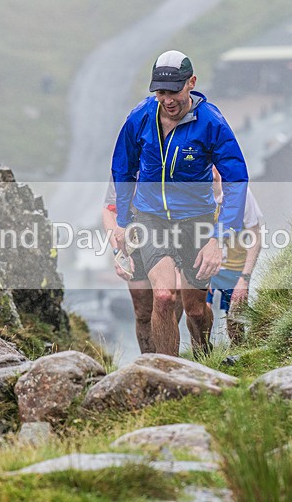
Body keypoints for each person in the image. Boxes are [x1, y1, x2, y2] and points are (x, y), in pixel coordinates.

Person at [111, 50, 248, 357]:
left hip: (196, 220)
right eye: (160, 92)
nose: (167, 100)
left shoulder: (211, 122)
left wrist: (218, 238)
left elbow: (236, 179)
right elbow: (122, 169)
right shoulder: (140, 117)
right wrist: (123, 222)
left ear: (191, 83)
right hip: (151, 218)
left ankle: (203, 355)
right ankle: (167, 371)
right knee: (163, 296)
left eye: (173, 91)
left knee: (195, 309)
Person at [101, 180, 183, 354]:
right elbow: (109, 210)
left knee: (171, 298)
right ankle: (148, 362)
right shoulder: (125, 165)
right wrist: (118, 252)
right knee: (143, 311)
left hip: (173, 234)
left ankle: (168, 360)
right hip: (134, 240)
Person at [206, 186, 264, 345]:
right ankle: (201, 356)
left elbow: (256, 237)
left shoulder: (241, 191)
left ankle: (238, 354)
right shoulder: (195, 186)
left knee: (235, 320)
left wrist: (244, 279)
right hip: (206, 265)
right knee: (198, 314)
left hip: (235, 268)